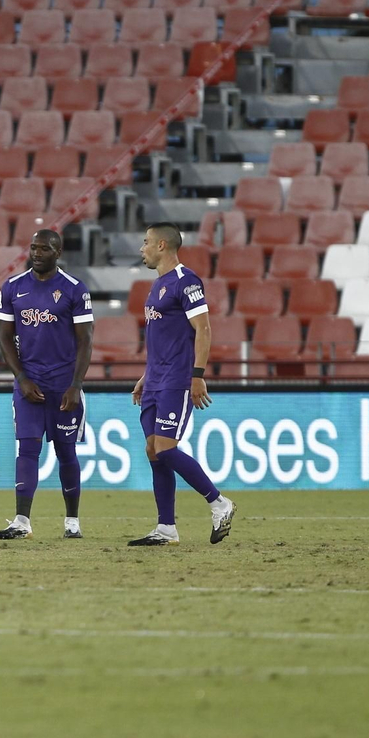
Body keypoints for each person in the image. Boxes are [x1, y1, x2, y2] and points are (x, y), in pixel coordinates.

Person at [128, 222, 237, 546]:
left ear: (162, 245)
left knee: (165, 447)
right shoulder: (157, 285)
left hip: (177, 380)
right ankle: (166, 528)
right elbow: (165, 338)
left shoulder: (186, 281)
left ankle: (220, 503)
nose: (141, 248)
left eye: (146, 242)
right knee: (152, 449)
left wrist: (198, 375)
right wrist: (146, 377)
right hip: (156, 380)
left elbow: (202, 329)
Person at [0, 229, 95, 541]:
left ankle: (72, 522)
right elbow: (4, 337)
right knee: (27, 448)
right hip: (29, 385)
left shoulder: (75, 289)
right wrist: (21, 377)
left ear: (58, 252)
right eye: (33, 247)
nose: (36, 253)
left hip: (64, 384)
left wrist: (76, 384)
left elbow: (85, 340)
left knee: (66, 452)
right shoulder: (12, 287)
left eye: (44, 249)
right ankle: (22, 521)